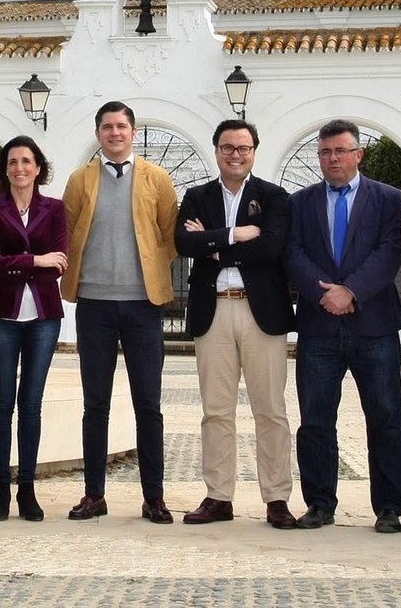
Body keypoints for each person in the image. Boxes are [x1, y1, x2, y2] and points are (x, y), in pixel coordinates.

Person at [286, 119, 401, 533]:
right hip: (319, 326)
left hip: (373, 324)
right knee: (316, 420)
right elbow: (293, 251)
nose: (333, 158)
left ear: (359, 154)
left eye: (340, 151)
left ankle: (389, 507)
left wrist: (351, 291)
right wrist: (324, 293)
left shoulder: (390, 199)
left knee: (386, 417)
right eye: (325, 152)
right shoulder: (301, 202)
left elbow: (391, 251)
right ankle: (320, 503)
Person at [174, 119, 297, 528]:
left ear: (254, 152)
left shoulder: (274, 196)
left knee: (271, 410)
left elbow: (271, 247)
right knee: (216, 411)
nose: (235, 154)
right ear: (216, 150)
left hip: (260, 312)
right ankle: (218, 496)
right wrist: (237, 233)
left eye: (243, 148)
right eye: (228, 147)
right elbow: (183, 243)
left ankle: (277, 498)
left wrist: (214, 243)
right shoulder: (196, 196)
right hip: (215, 311)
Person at [61, 101, 180, 522]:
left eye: (122, 126)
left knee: (148, 404)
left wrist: (145, 271)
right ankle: (94, 494)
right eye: (107, 127)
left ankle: (155, 496)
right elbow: (69, 231)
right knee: (96, 404)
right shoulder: (80, 179)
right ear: (99, 134)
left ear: (133, 132)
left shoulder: (157, 178)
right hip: (93, 304)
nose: (115, 133)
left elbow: (170, 235)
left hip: (142, 305)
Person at [0, 135, 67, 521]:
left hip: (43, 317)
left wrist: (12, 260)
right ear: (5, 169)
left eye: (26, 161)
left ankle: (27, 489)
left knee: (31, 405)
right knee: (1, 403)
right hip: (1, 318)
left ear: (38, 168)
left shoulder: (55, 209)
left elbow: (60, 261)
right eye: (12, 162)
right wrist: (36, 260)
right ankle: (0, 489)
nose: (19, 168)